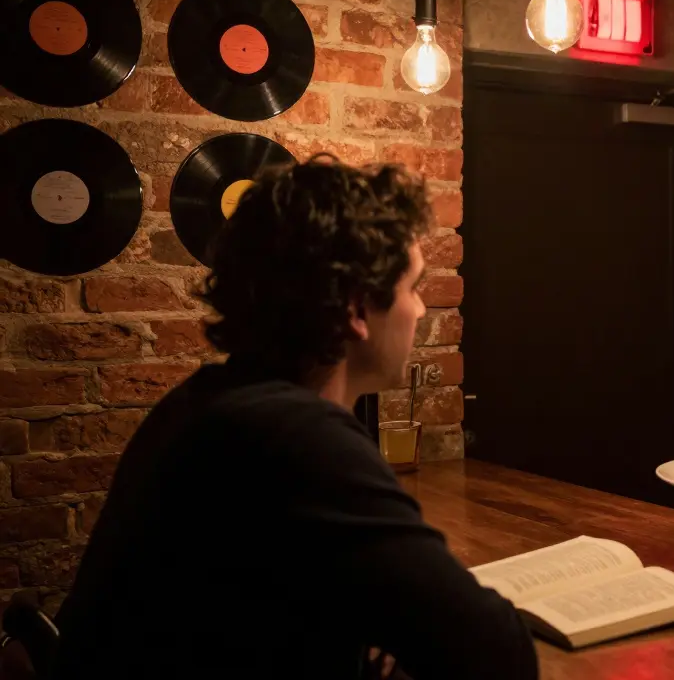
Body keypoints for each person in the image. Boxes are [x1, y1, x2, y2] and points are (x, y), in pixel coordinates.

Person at [52, 157, 539, 679]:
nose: (421, 311)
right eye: (413, 287)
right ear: (356, 309)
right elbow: (497, 655)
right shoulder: (298, 438)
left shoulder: (208, 401)